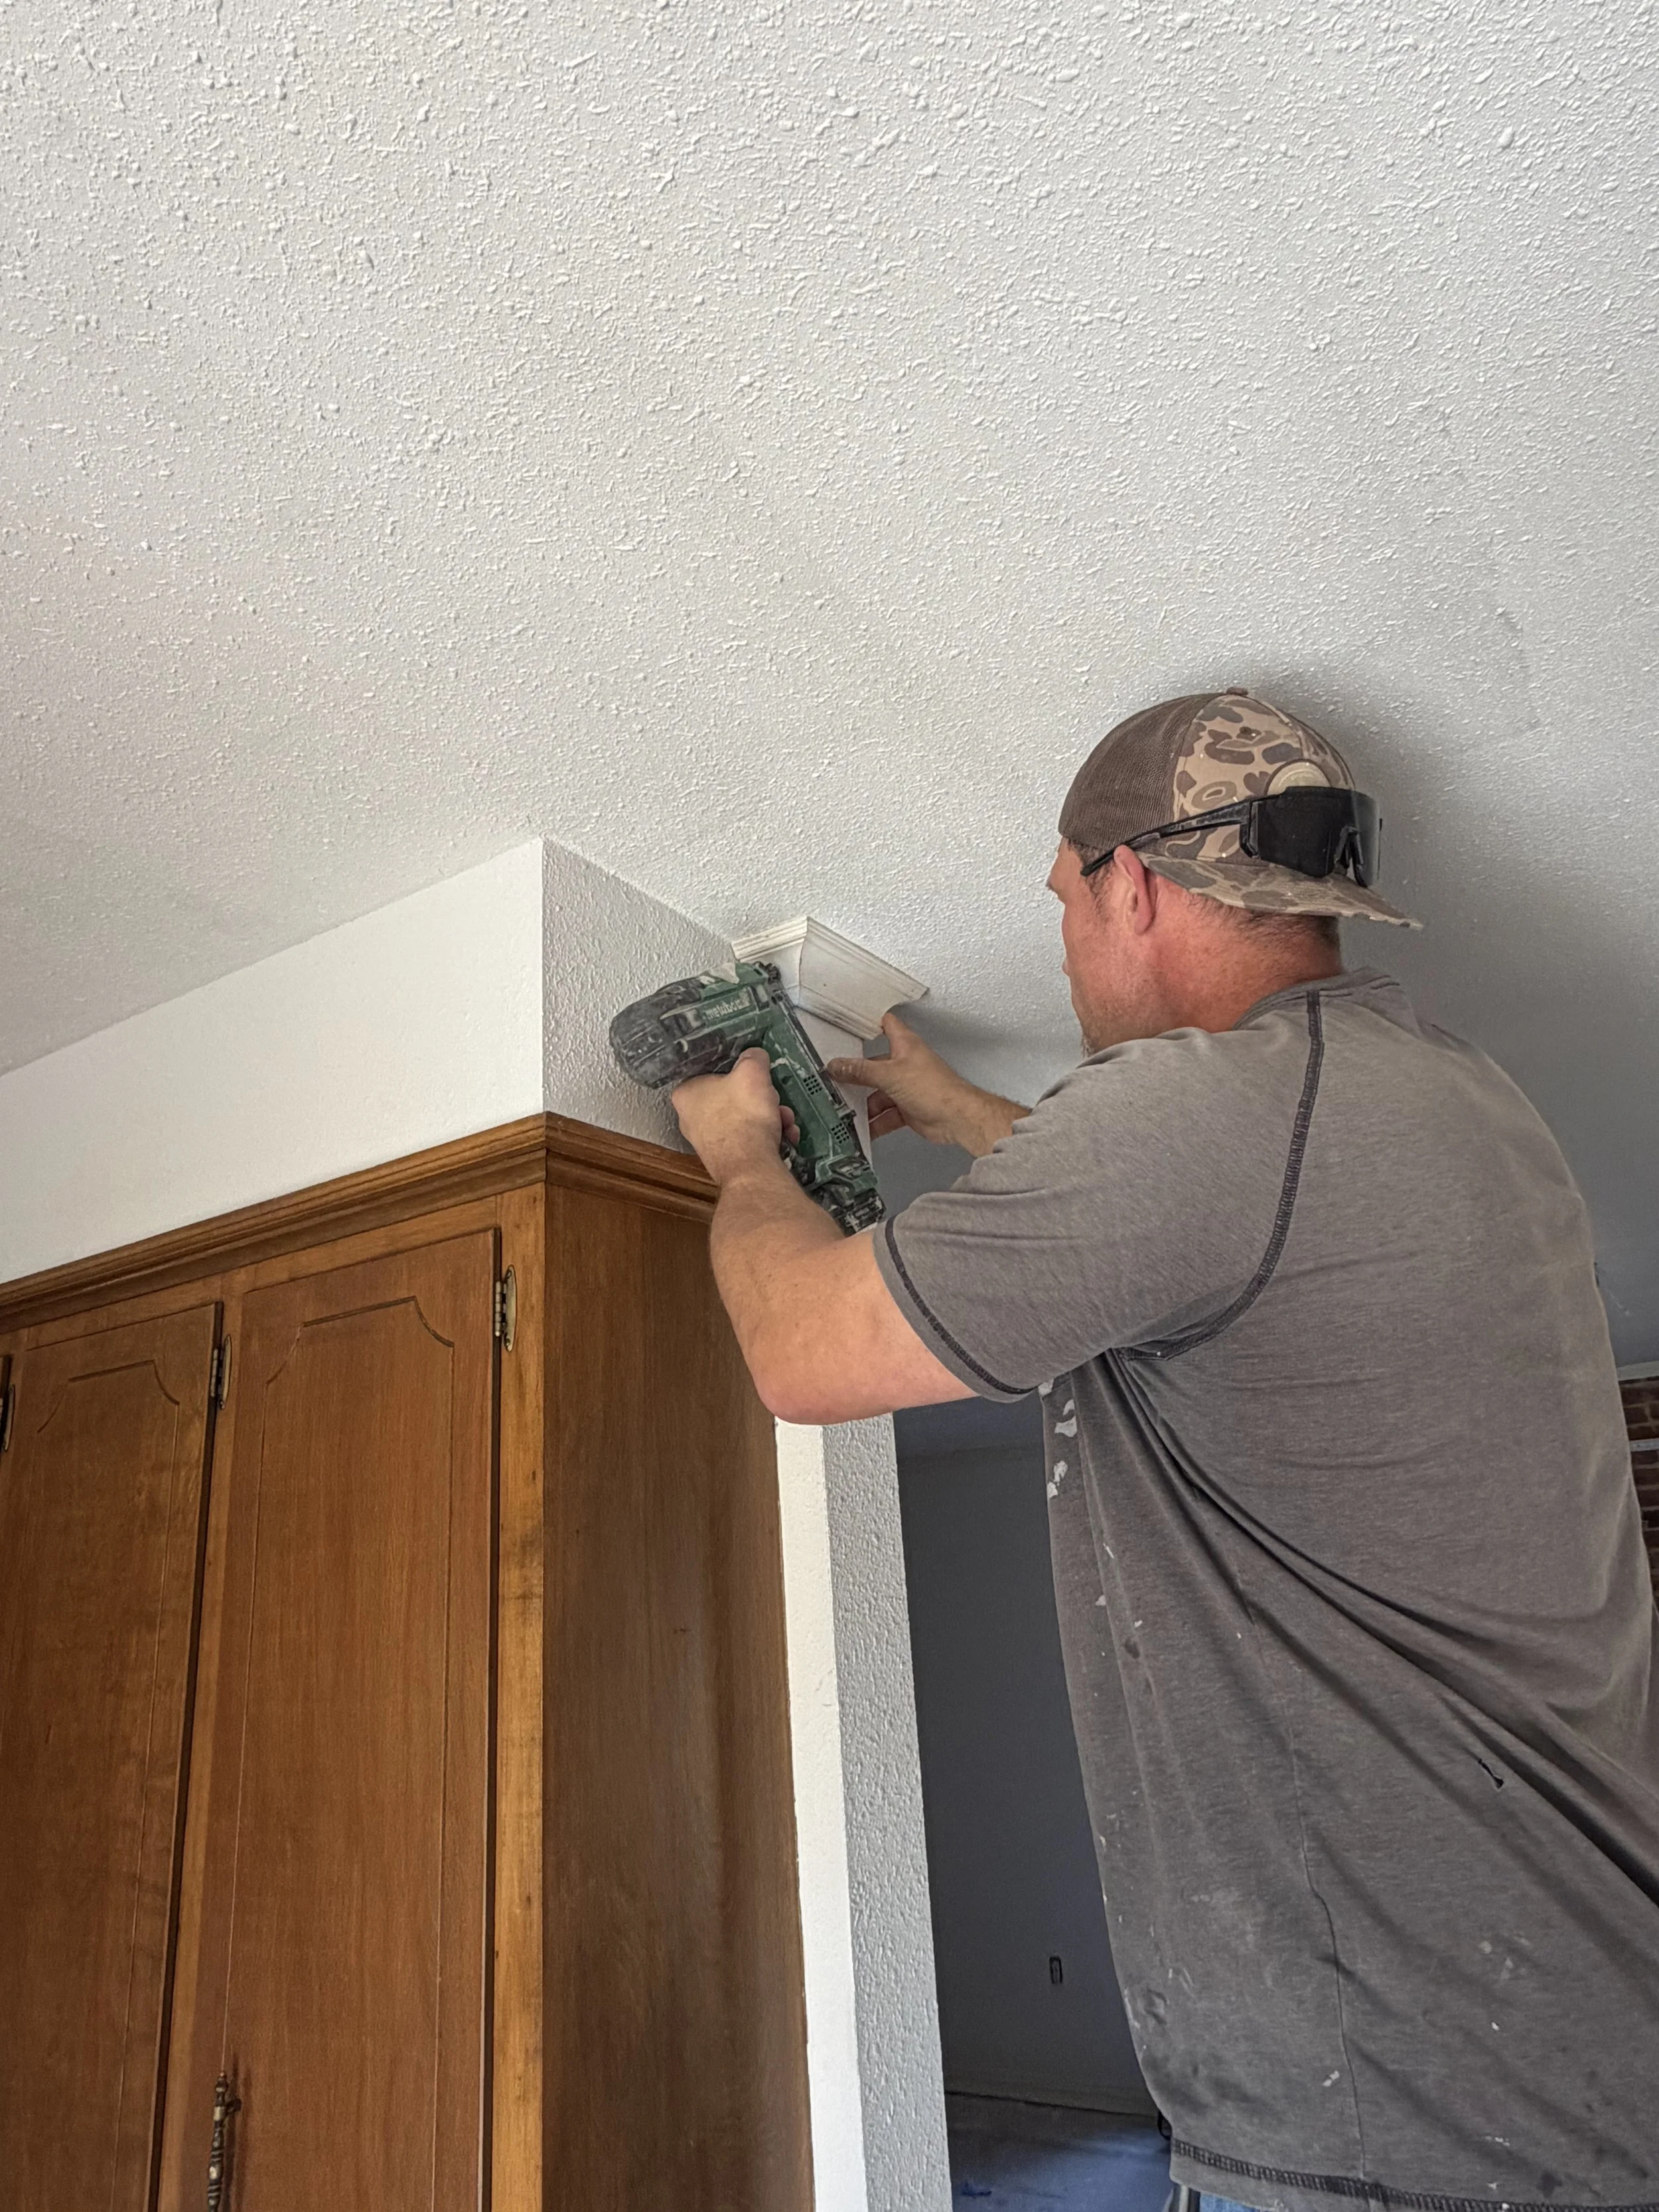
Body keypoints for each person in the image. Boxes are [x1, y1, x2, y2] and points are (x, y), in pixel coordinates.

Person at [672, 687, 1659, 2211]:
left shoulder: (1199, 1116)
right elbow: (1197, 1236)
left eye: (1062, 899)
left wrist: (739, 1155)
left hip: (1403, 2117)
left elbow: (808, 1354)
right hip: (1557, 2046)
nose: (1064, 939)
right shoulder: (1447, 1099)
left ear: (1128, 879)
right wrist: (951, 1106)